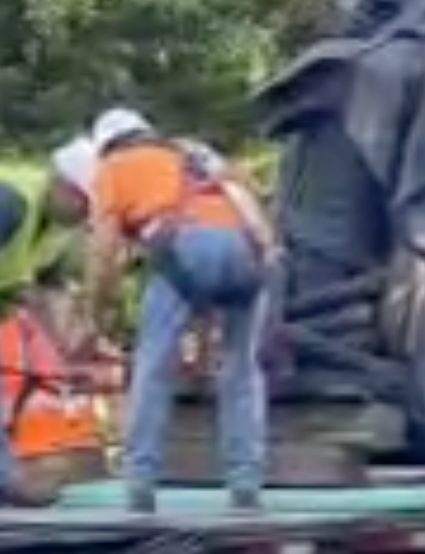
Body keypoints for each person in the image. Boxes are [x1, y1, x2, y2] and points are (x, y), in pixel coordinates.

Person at [86, 107, 272, 513]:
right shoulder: (196, 154)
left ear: (105, 147)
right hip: (248, 252)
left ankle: (140, 482)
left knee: (153, 369)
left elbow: (104, 253)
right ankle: (246, 483)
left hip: (184, 247)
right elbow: (249, 208)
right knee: (241, 371)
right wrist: (204, 349)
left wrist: (95, 314)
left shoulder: (115, 168)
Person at [0, 137, 99, 506]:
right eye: (84, 204)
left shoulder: (56, 229)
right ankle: (6, 480)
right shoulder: (10, 202)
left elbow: (40, 292)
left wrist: (63, 360)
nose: (86, 216)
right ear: (62, 184)